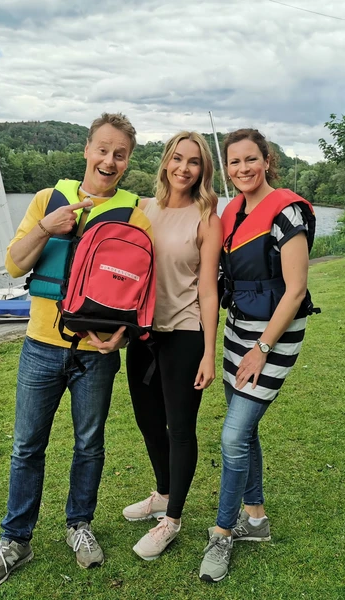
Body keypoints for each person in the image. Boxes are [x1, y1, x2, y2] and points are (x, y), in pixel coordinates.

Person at [0, 113, 153, 589]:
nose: (109, 161)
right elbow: (13, 264)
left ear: (128, 159)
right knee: (26, 445)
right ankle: (16, 539)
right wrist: (47, 228)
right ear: (87, 150)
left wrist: (126, 336)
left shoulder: (136, 214)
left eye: (120, 154)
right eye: (102, 150)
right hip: (41, 346)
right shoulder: (47, 201)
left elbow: (141, 289)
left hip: (97, 353)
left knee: (89, 445)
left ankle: (80, 526)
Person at [199, 128, 316, 583]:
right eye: (234, 162)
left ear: (267, 160)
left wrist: (262, 350)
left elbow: (296, 289)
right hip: (237, 329)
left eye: (251, 159)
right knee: (242, 432)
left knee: (232, 437)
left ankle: (223, 533)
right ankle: (256, 518)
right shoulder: (232, 210)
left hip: (274, 335)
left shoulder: (287, 212)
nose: (243, 169)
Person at [122, 132, 222, 560]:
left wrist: (208, 351)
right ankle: (162, 493)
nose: (184, 168)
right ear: (165, 161)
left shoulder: (207, 217)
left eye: (193, 162)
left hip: (184, 332)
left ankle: (173, 520)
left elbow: (208, 290)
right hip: (143, 333)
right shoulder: (144, 209)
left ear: (203, 170)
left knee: (179, 428)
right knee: (147, 422)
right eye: (177, 158)